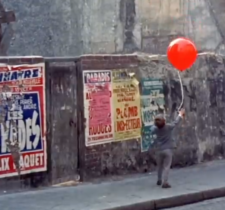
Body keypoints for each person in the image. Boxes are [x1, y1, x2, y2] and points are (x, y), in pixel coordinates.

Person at [150, 108, 185, 189]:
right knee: (166, 166)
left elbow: (151, 129)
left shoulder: (155, 129)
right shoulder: (168, 127)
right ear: (164, 121)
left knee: (159, 166)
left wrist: (155, 123)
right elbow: (176, 122)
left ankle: (159, 179)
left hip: (159, 150)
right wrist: (180, 114)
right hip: (168, 149)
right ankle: (165, 182)